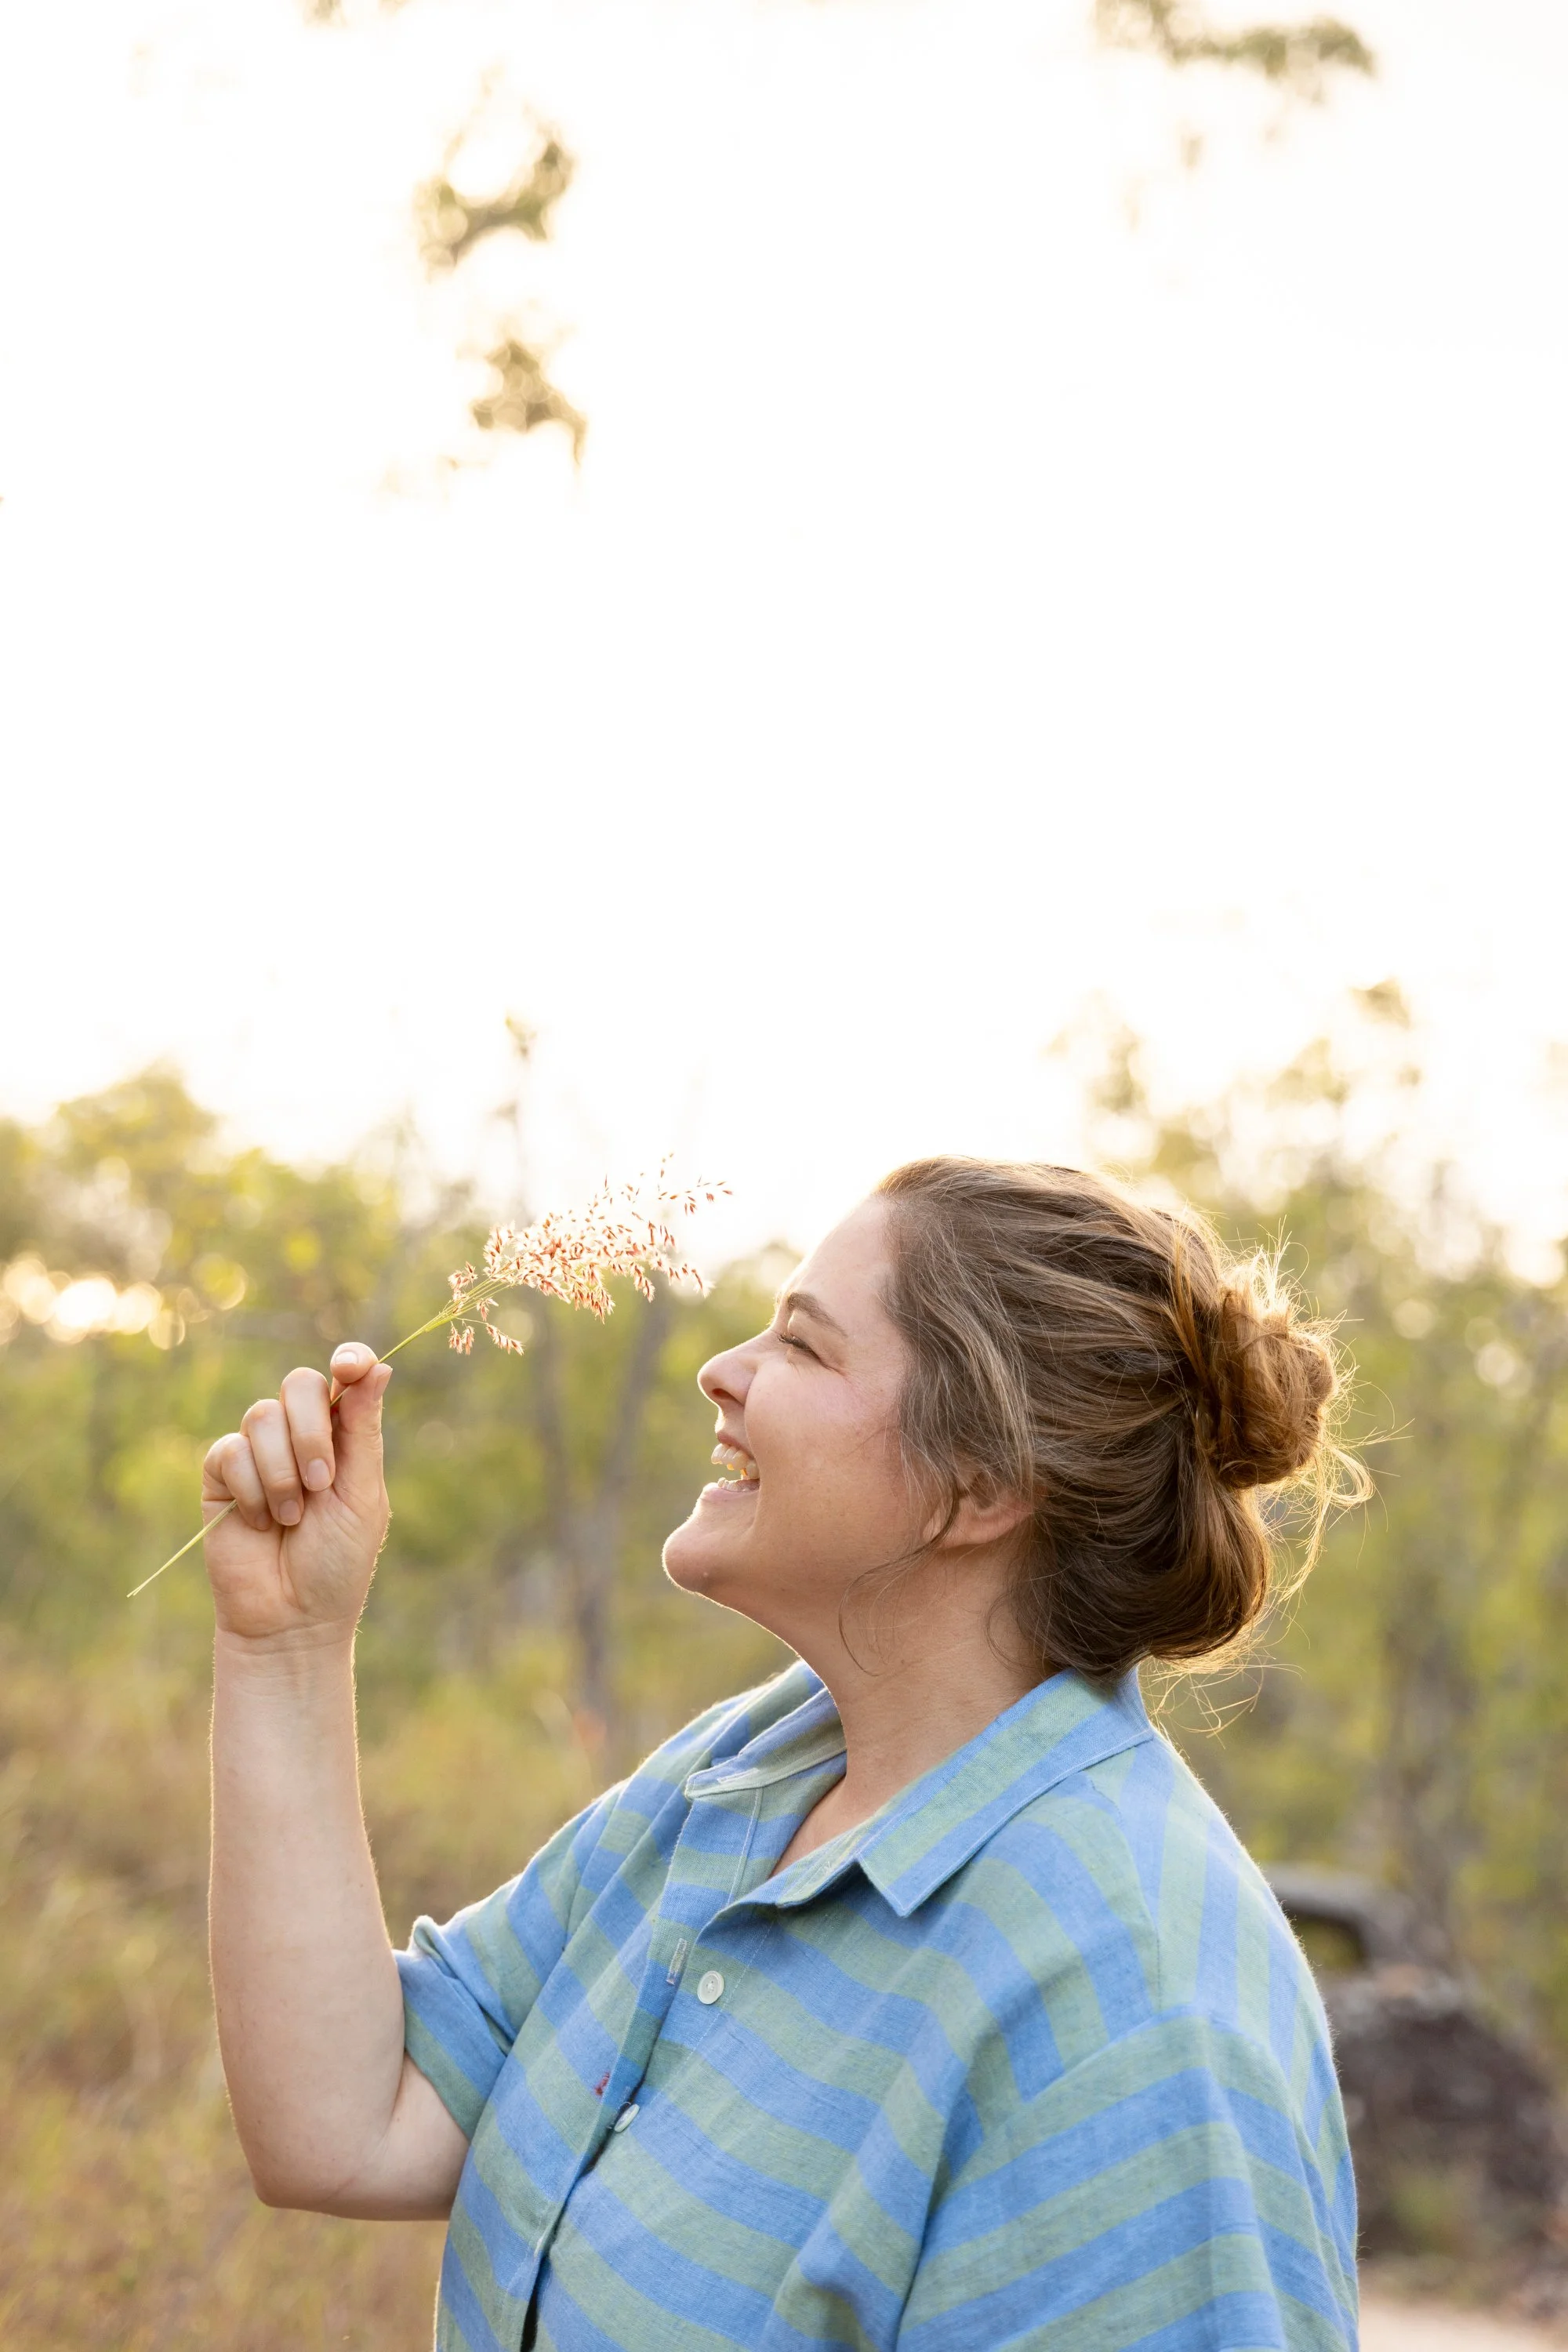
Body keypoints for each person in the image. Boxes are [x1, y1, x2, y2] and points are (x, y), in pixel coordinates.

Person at [203, 1157, 1359, 2352]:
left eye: (803, 1347)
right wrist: (285, 1640)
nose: (723, 1368)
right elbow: (347, 2124)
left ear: (981, 1481)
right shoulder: (757, 1768)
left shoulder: (1137, 2012)